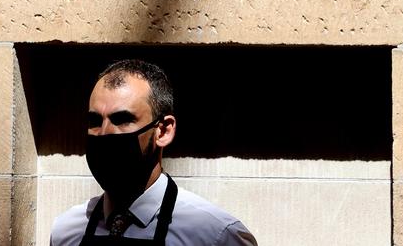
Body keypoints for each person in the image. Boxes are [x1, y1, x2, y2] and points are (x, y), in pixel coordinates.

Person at [50, 59, 257, 246]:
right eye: (95, 121)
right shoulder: (66, 231)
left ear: (164, 131)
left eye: (122, 120)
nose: (104, 134)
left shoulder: (216, 236)